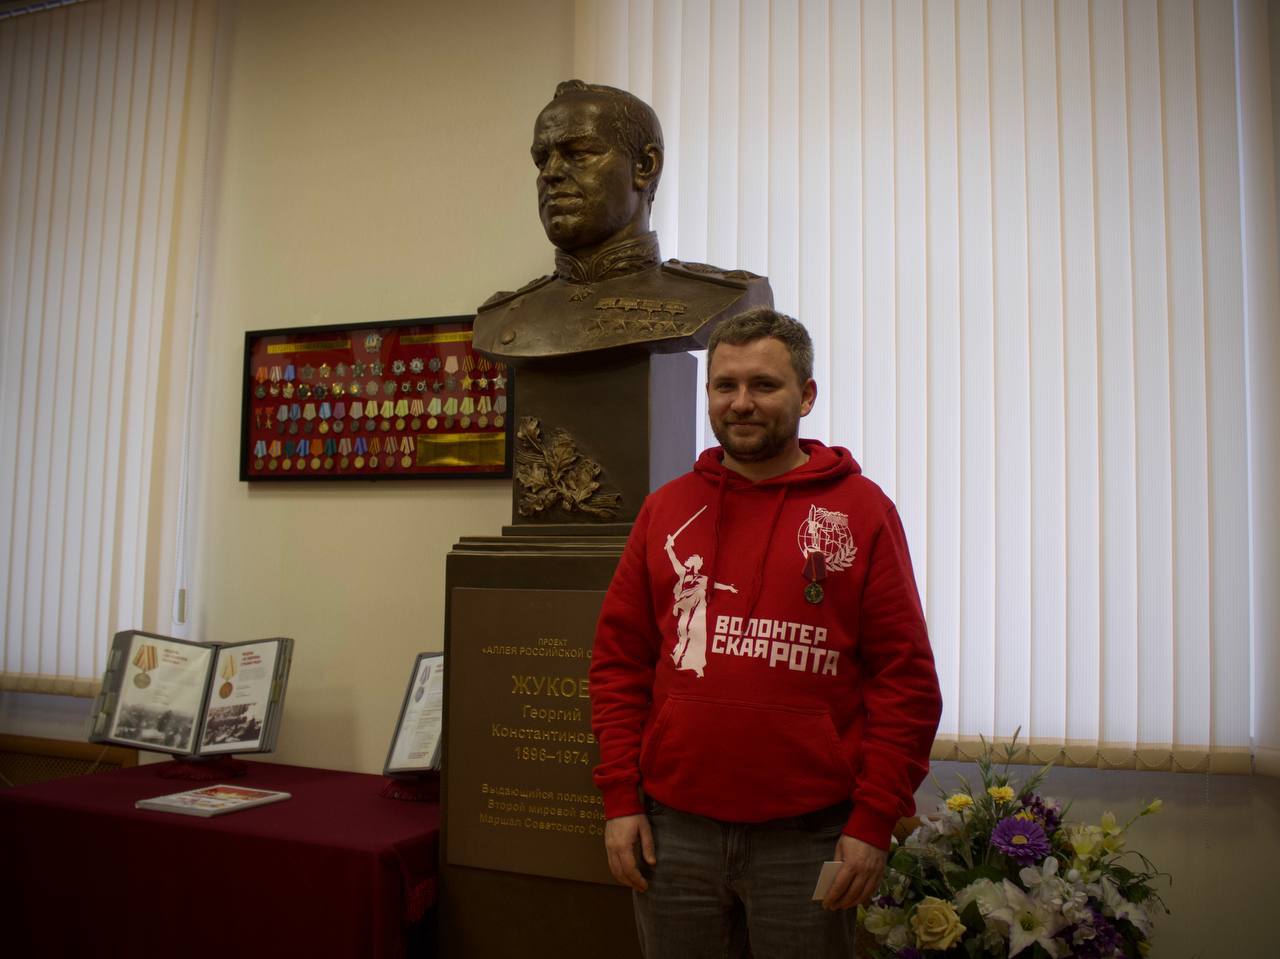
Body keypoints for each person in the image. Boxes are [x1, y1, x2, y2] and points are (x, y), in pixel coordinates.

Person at [589, 308, 943, 957]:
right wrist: (619, 799)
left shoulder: (861, 511)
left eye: (764, 385)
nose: (742, 402)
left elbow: (906, 682)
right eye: (725, 385)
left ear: (806, 395)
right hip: (673, 831)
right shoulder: (667, 509)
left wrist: (873, 820)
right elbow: (618, 664)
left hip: (810, 837)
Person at [473, 80, 772, 362]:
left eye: (578, 154)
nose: (550, 173)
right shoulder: (500, 317)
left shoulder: (721, 297)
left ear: (645, 166)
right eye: (541, 160)